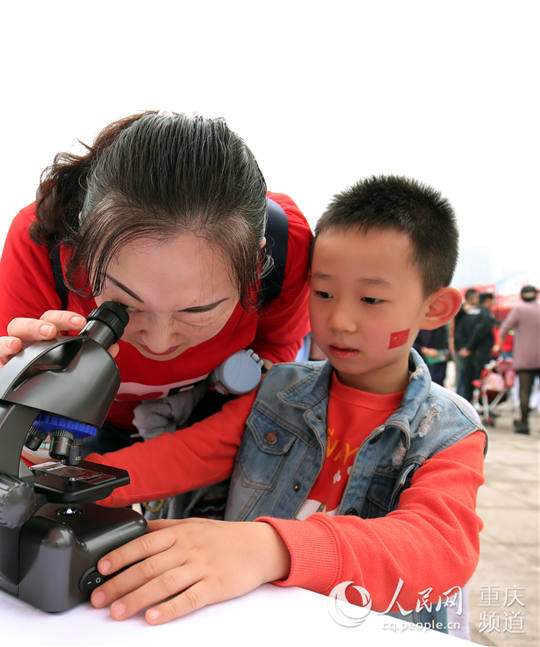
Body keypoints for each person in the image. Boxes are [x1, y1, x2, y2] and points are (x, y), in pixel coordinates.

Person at [85, 175, 486, 633]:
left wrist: (270, 547)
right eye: (324, 293)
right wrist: (72, 483)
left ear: (435, 308)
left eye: (371, 299)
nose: (340, 320)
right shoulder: (279, 392)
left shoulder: (449, 432)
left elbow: (438, 548)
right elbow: (189, 454)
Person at [0, 112, 312, 461]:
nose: (158, 344)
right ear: (83, 240)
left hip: (207, 425)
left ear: (254, 263)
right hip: (83, 428)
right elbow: (17, 449)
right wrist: (20, 410)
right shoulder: (42, 241)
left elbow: (273, 355)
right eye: (126, 305)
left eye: (196, 310)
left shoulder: (288, 244)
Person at [494, 285, 540, 434]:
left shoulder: (519, 310)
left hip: (524, 357)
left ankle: (524, 423)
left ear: (521, 296)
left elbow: (505, 328)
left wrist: (498, 346)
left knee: (525, 390)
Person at [453, 288, 495, 402]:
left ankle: (465, 408)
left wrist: (463, 348)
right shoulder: (484, 313)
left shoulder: (465, 313)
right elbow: (481, 330)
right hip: (479, 353)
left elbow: (458, 332)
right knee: (476, 382)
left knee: (466, 383)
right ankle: (477, 408)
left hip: (465, 353)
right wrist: (469, 347)